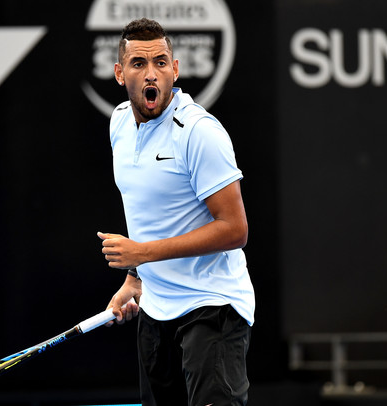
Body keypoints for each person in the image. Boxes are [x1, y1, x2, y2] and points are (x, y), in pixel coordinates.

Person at [98, 18, 255, 406]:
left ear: (175, 69)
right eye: (138, 63)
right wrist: (135, 278)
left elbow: (235, 229)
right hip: (157, 308)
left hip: (211, 306)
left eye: (161, 62)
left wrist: (143, 254)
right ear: (120, 73)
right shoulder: (119, 122)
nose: (152, 73)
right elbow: (149, 209)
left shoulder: (199, 132)